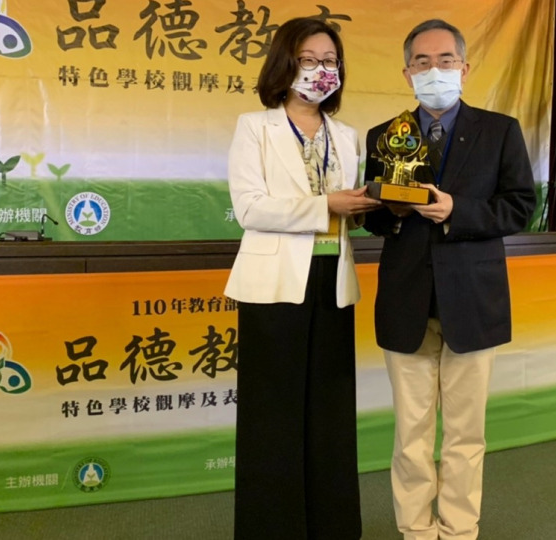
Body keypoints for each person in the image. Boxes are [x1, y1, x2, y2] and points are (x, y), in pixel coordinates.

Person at [363, 19, 536, 540]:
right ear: (406, 72)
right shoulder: (384, 136)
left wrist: (457, 211)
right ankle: (416, 529)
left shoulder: (500, 130)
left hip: (473, 301)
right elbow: (374, 220)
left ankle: (459, 529)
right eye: (422, 62)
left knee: (465, 433)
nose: (433, 70)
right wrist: (391, 211)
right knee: (411, 434)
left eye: (444, 60)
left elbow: (520, 207)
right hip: (406, 301)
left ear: (464, 67)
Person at [225, 17, 380, 540]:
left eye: (330, 61)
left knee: (330, 411)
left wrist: (371, 207)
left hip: (332, 280)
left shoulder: (347, 135)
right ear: (285, 64)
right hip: (273, 284)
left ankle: (333, 527)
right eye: (309, 60)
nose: (320, 70)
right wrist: (326, 205)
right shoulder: (255, 127)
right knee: (273, 414)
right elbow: (250, 208)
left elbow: (350, 209)